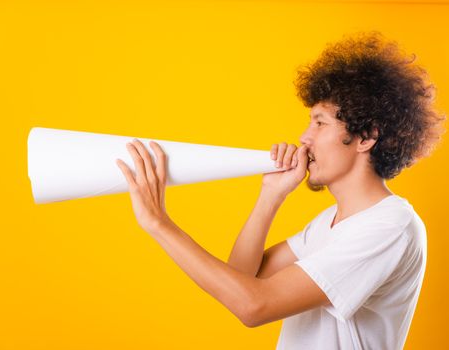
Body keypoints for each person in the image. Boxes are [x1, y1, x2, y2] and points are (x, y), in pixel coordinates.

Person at [115, 31, 446, 350]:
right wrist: (270, 195)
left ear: (366, 137)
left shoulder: (390, 227)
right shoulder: (330, 222)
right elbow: (242, 277)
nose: (305, 137)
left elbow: (253, 306)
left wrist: (158, 223)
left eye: (319, 123)